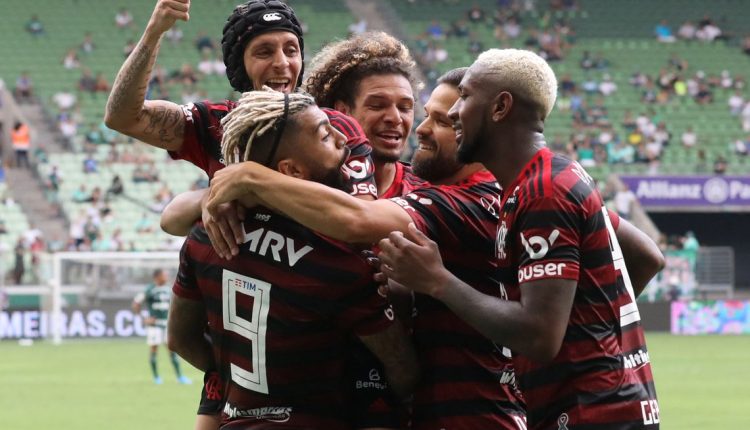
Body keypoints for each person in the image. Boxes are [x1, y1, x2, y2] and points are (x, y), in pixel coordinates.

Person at [204, 68, 664, 429]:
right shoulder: (533, 188)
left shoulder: (469, 201)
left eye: (445, 119)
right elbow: (644, 255)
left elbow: (356, 222)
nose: (421, 128)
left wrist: (249, 177)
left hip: (475, 414)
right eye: (428, 113)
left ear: (481, 125)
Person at [376, 49, 660, 429]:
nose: (456, 111)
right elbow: (647, 257)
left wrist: (437, 280)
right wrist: (585, 326)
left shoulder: (545, 191)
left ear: (500, 107)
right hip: (594, 408)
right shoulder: (543, 181)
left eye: (465, 97)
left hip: (591, 413)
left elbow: (539, 335)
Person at [168, 89, 418, 429]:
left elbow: (180, 340)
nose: (343, 139)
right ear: (292, 170)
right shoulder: (339, 259)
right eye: (325, 136)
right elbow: (403, 369)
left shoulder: (205, 237)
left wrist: (238, 380)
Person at [132, 268, 191, 385]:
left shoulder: (169, 289)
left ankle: (180, 377)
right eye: (164, 275)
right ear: (157, 277)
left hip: (167, 325)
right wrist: (144, 319)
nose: (166, 277)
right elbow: (136, 304)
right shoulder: (149, 290)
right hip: (155, 325)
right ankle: (156, 377)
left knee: (172, 350)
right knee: (154, 350)